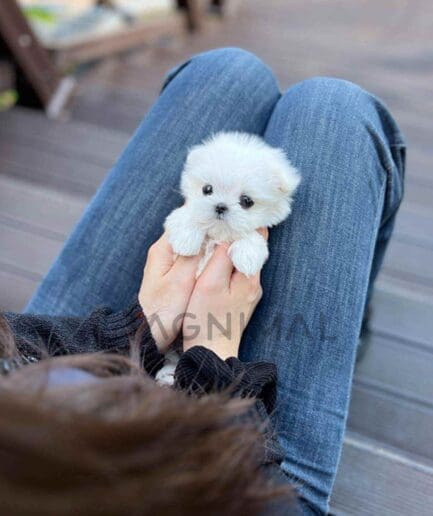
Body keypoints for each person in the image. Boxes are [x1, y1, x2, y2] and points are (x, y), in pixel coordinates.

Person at [0, 48, 405, 515]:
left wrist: (143, 327)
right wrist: (212, 352)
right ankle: (352, 325)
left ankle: (350, 321)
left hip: (40, 373)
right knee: (336, 112)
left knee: (228, 72)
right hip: (232, 477)